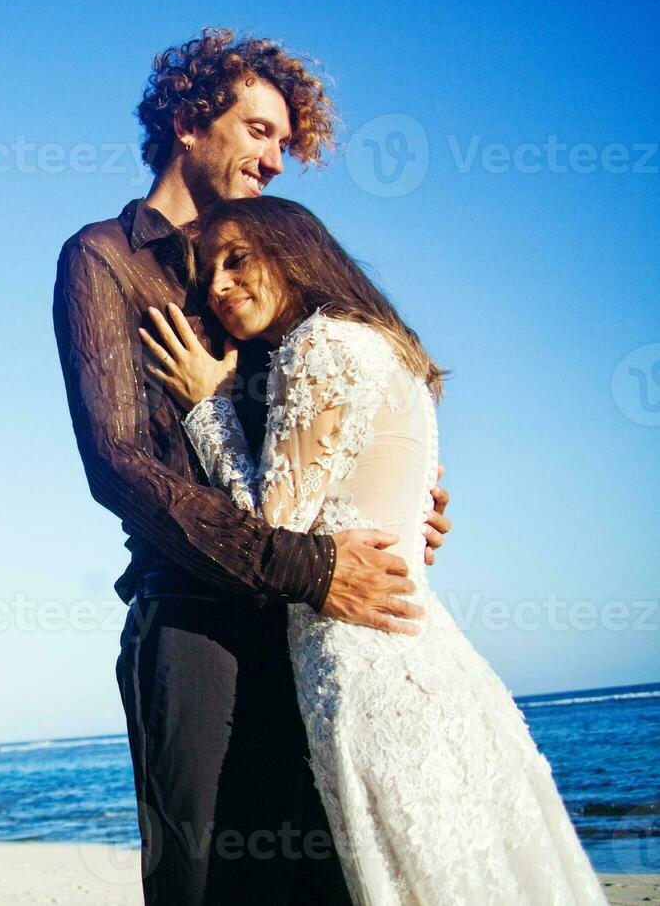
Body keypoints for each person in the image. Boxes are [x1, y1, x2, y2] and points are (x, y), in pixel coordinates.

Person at [51, 28, 451, 905]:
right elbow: (118, 465)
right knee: (208, 887)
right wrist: (311, 567)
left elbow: (330, 422)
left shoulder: (268, 268)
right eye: (260, 131)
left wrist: (393, 504)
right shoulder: (102, 260)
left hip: (316, 637)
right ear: (190, 121)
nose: (276, 160)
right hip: (198, 630)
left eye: (284, 142)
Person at [139, 195, 608, 905]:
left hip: (363, 663)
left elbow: (270, 531)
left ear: (297, 250)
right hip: (422, 650)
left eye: (238, 260)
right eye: (209, 278)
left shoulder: (317, 348)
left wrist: (210, 406)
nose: (221, 287)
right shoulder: (388, 348)